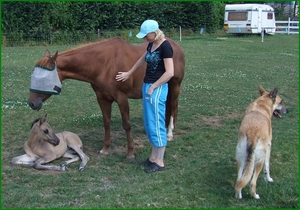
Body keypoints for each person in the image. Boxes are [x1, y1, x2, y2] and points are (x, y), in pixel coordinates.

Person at [115, 19, 174, 173]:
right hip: (147, 86)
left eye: (146, 35)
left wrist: (154, 86)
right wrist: (129, 73)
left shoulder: (166, 46)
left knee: (157, 123)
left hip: (158, 88)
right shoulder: (151, 44)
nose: (144, 38)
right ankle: (153, 158)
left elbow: (170, 72)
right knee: (149, 123)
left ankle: (160, 162)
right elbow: (143, 59)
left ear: (154, 33)